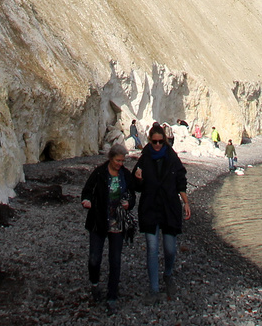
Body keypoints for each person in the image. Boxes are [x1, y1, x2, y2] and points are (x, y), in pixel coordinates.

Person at [132, 122, 190, 300]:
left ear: (165, 141)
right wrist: (138, 179)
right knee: (152, 248)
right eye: (154, 142)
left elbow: (181, 180)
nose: (157, 145)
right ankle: (154, 289)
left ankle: (168, 274)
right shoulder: (144, 158)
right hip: (150, 207)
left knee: (170, 249)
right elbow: (136, 186)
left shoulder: (172, 158)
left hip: (169, 207)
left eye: (160, 142)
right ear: (149, 141)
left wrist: (186, 202)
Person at [80, 143, 136, 310]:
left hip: (117, 222)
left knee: (115, 260)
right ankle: (95, 283)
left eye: (123, 161)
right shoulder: (99, 173)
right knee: (94, 258)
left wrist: (129, 204)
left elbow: (132, 194)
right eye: (118, 160)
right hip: (98, 220)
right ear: (111, 158)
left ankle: (112, 295)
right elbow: (87, 190)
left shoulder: (125, 174)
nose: (120, 163)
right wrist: (86, 200)